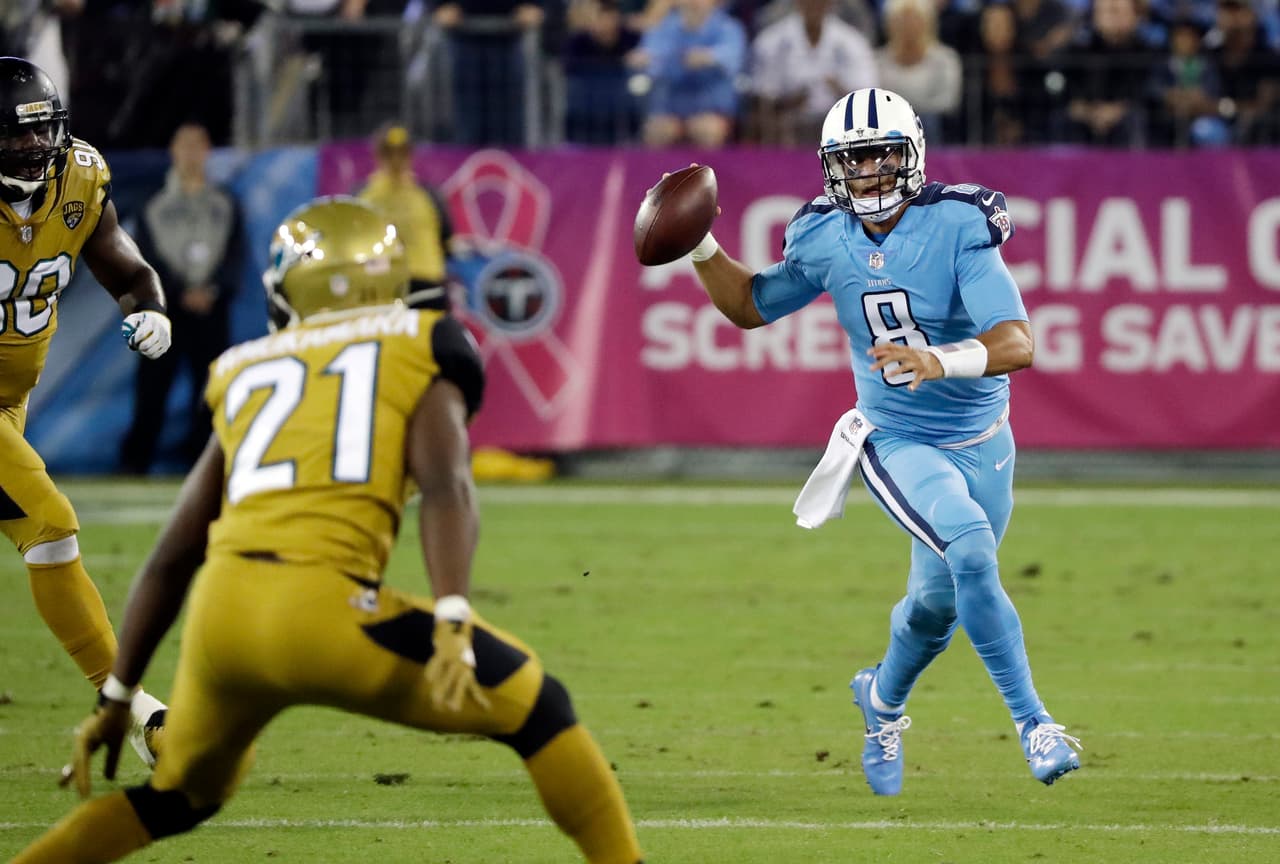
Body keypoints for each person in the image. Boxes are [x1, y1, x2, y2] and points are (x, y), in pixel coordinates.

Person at [12, 196, 644, 864]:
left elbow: (174, 554)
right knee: (541, 708)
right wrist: (453, 613)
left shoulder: (243, 366)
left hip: (221, 624)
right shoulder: (422, 340)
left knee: (174, 800)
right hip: (324, 613)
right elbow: (446, 485)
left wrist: (117, 696)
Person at [675, 87, 1081, 795]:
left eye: (881, 154)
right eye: (852, 159)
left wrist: (941, 359)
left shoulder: (958, 223)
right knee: (972, 551)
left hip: (986, 440)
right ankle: (1036, 725)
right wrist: (701, 245)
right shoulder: (824, 235)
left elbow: (1018, 343)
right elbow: (749, 305)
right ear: (832, 166)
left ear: (912, 154)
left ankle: (882, 700)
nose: (867, 172)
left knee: (936, 609)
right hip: (897, 438)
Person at [0, 56, 167, 765]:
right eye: (15, 140)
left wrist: (152, 310)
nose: (34, 150)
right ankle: (140, 714)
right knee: (51, 526)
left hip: (12, 402)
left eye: (42, 135)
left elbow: (127, 270)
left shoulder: (82, 177)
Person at [119, 123, 241, 474]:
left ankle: (206, 463)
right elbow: (143, 258)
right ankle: (135, 462)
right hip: (165, 310)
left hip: (212, 310)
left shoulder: (225, 203)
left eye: (197, 145)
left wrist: (213, 289)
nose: (190, 153)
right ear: (173, 151)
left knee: (211, 389)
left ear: (207, 151)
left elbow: (235, 253)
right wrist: (176, 292)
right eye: (183, 145)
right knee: (152, 388)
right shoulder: (153, 205)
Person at [749, 0, 878, 146]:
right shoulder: (771, 41)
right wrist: (790, 101)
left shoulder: (853, 42)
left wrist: (838, 89)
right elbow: (761, 95)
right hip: (788, 127)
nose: (814, 5)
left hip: (840, 130)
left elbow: (867, 95)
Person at [358, 124, 454, 310]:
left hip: (425, 282)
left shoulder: (427, 195)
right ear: (379, 155)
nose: (396, 160)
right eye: (390, 153)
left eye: (402, 153)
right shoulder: (364, 197)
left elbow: (447, 240)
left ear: (410, 155)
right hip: (381, 285)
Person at [628, 0, 747, 147]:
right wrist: (642, 59)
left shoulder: (729, 27)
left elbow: (733, 58)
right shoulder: (664, 27)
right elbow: (650, 54)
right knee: (656, 130)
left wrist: (709, 57)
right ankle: (658, 170)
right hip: (671, 108)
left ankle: (712, 170)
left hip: (713, 109)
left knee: (706, 130)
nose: (694, 2)